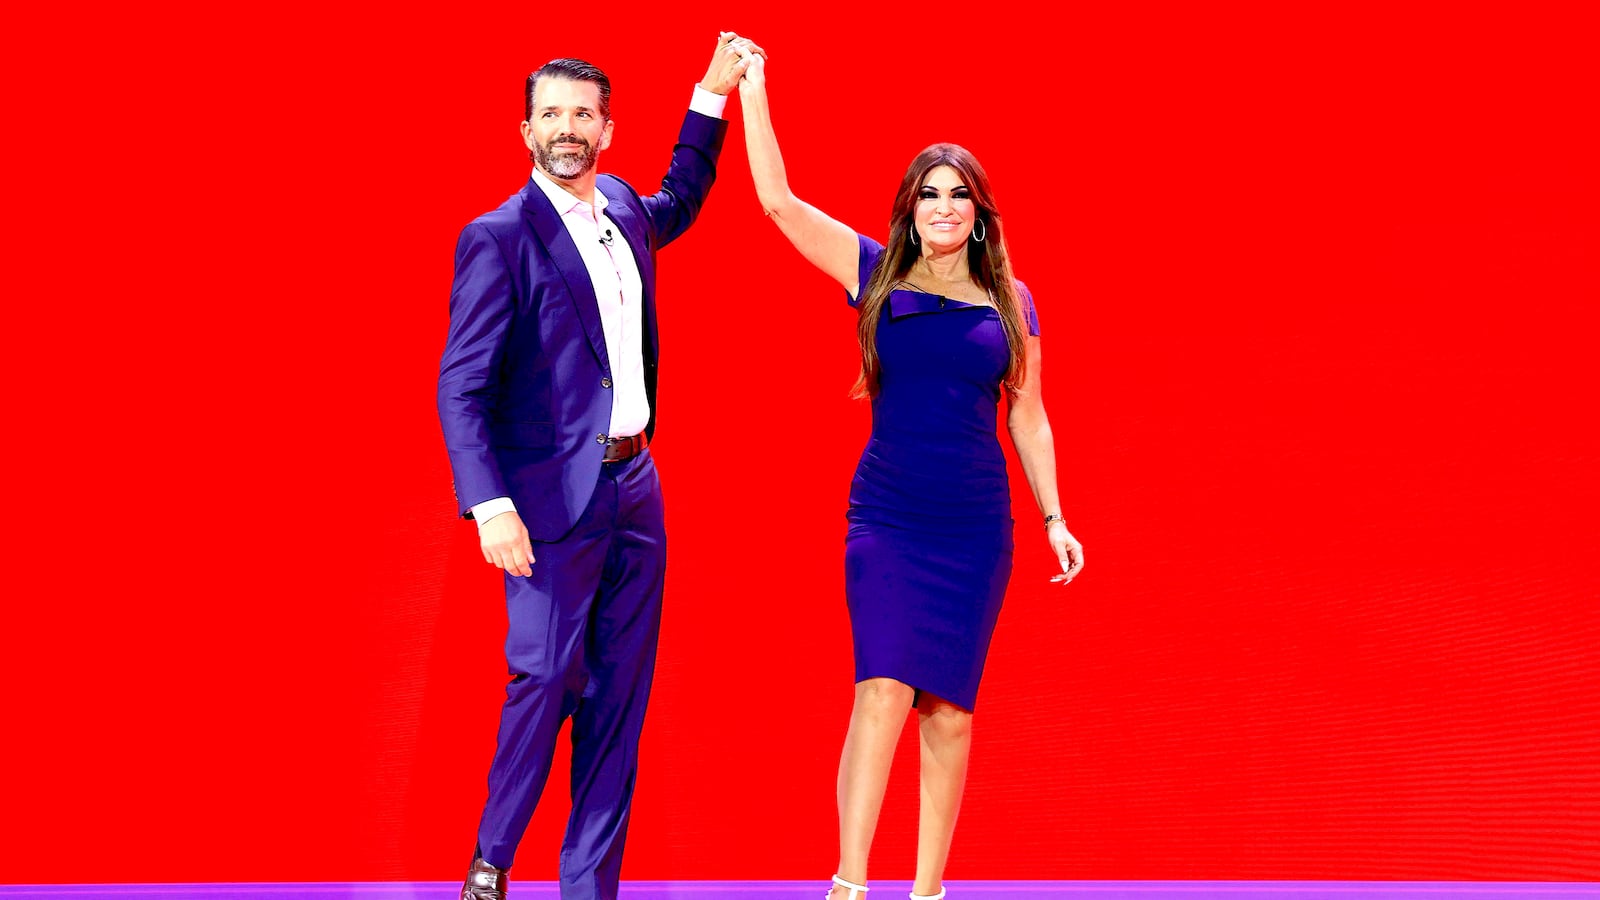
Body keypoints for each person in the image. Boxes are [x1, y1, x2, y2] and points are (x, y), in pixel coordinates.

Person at [732, 50, 1085, 900]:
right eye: (929, 192)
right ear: (909, 208)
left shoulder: (1012, 301)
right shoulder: (874, 276)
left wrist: (1054, 519)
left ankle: (927, 892)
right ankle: (849, 884)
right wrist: (751, 91)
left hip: (973, 526)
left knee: (952, 713)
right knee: (883, 687)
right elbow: (778, 203)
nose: (943, 206)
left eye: (958, 192)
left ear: (979, 212)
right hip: (888, 517)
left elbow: (1027, 415)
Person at [437, 35, 762, 900]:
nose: (567, 128)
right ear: (525, 131)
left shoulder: (621, 205)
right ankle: (492, 862)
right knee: (544, 676)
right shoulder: (498, 237)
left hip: (635, 491)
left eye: (583, 114)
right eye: (552, 115)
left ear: (607, 130)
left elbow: (682, 197)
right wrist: (489, 501)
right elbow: (460, 385)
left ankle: (587, 888)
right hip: (548, 503)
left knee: (619, 699)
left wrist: (710, 96)